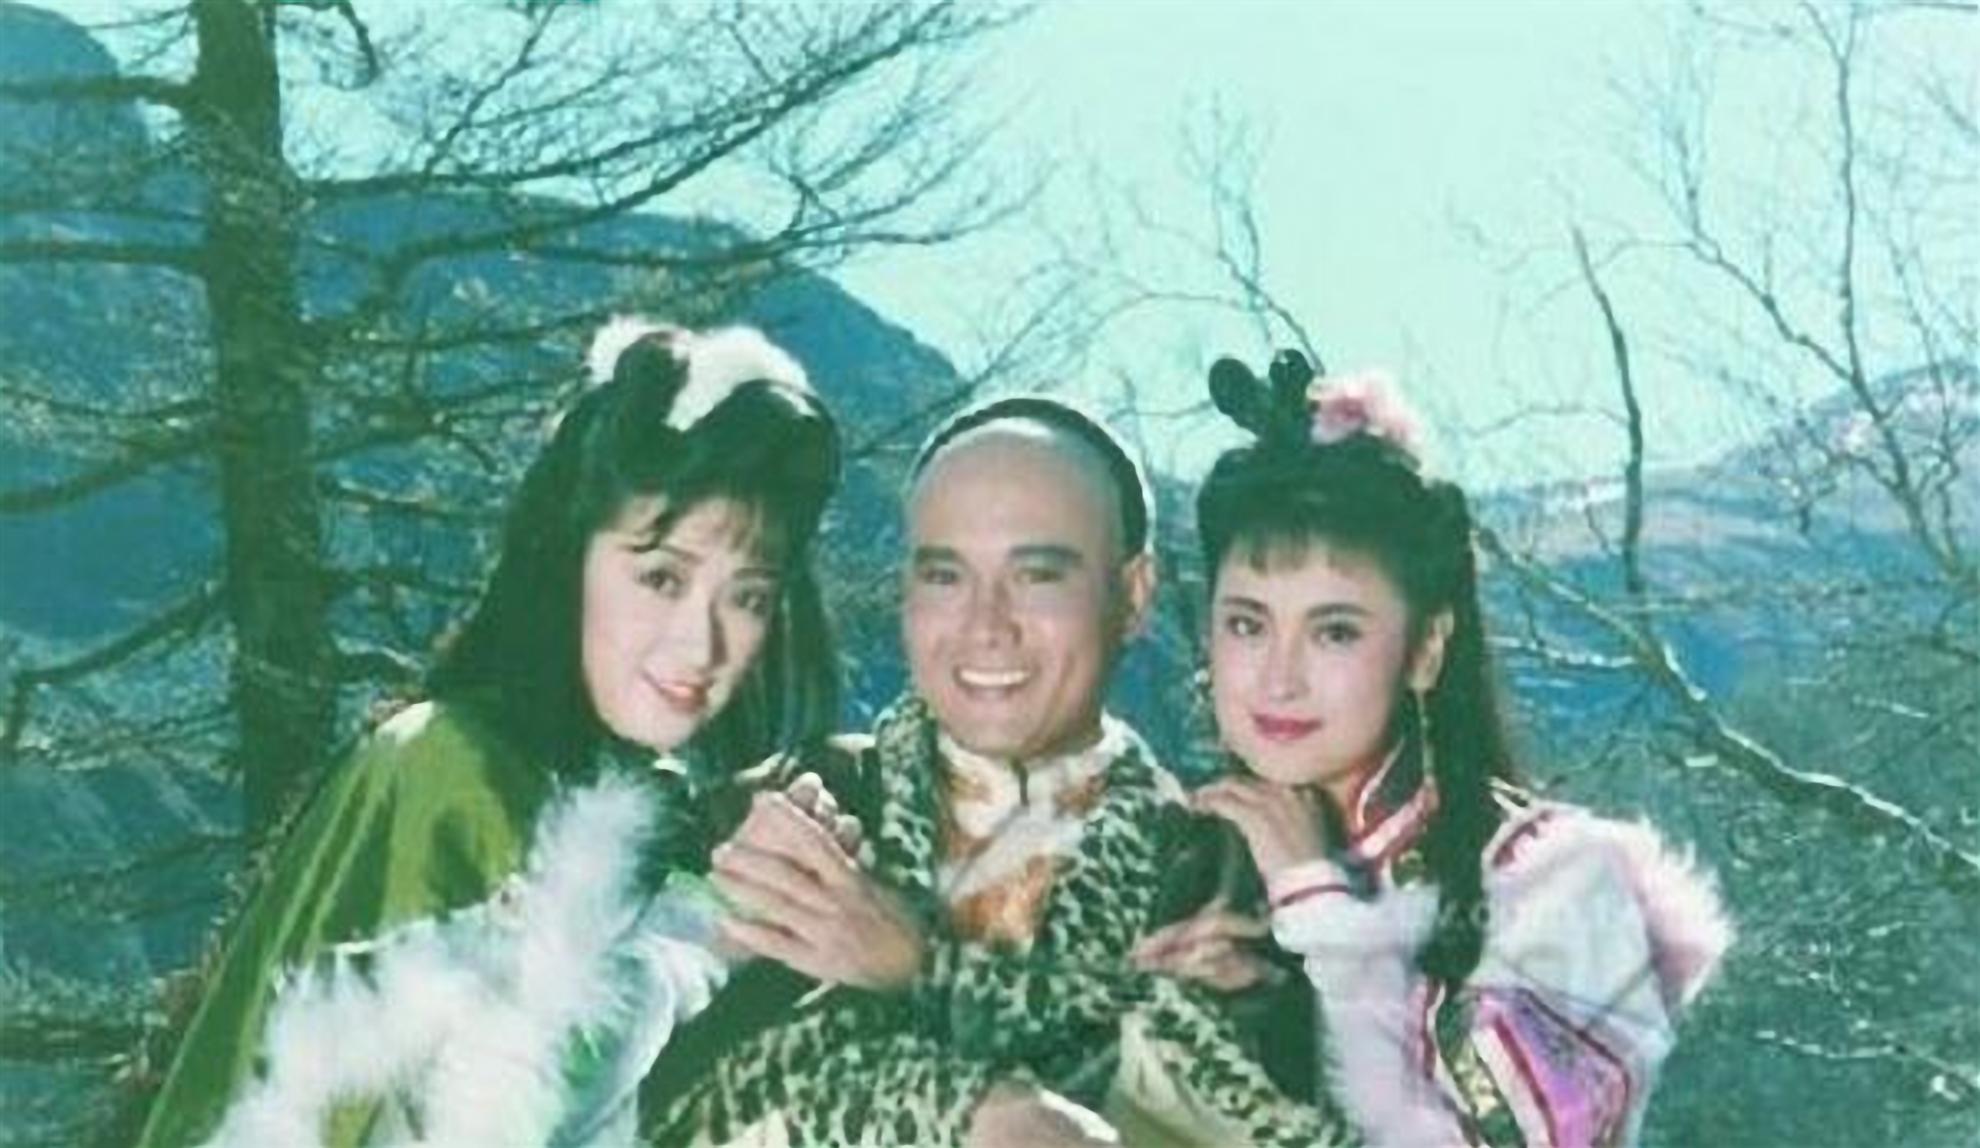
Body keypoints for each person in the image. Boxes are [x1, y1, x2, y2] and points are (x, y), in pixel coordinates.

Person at [134, 316, 843, 1148]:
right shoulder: (452, 769)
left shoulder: (643, 798)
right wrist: (714, 922)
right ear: (569, 555)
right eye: (661, 577)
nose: (702, 644)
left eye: (748, 596)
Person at [636, 397, 1340, 1147]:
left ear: (1132, 595)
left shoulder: (1213, 875)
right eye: (946, 577)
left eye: (1038, 576)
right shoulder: (799, 799)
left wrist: (921, 972)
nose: (985, 626)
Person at [1132, 351, 1733, 1147]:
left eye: (1334, 631)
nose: (1278, 677)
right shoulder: (1165, 854)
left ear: (1425, 649)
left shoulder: (1557, 881)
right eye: (1247, 623)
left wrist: (1328, 919)